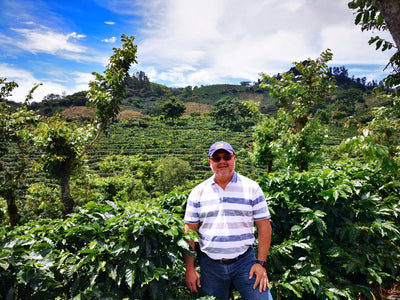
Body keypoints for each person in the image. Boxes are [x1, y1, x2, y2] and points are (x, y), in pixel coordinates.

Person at [184, 141, 273, 300]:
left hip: (245, 262)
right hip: (210, 265)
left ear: (234, 159)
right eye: (217, 158)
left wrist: (261, 264)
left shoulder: (252, 188)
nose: (222, 161)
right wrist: (189, 268)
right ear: (210, 162)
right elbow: (190, 231)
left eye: (226, 157)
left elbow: (264, 226)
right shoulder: (197, 192)